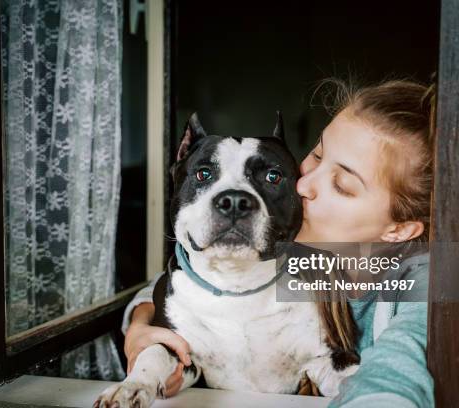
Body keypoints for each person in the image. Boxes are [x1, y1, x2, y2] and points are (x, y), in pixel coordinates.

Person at [120, 79, 435, 407]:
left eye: (341, 185)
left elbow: (397, 373)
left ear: (399, 230)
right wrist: (141, 321)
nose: (302, 186)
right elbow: (198, 282)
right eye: (316, 155)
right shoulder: (308, 258)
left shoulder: (434, 281)